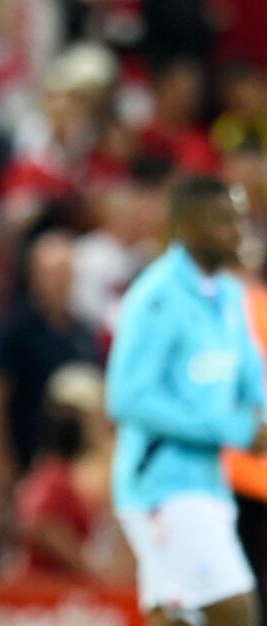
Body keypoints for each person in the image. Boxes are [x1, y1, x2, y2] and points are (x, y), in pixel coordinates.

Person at [108, 176, 267, 626]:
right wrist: (235, 428)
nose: (239, 232)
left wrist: (260, 417)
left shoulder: (229, 296)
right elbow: (128, 397)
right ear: (188, 227)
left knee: (180, 618)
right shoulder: (156, 297)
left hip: (209, 482)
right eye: (225, 221)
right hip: (162, 485)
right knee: (236, 610)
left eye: (239, 220)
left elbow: (252, 377)